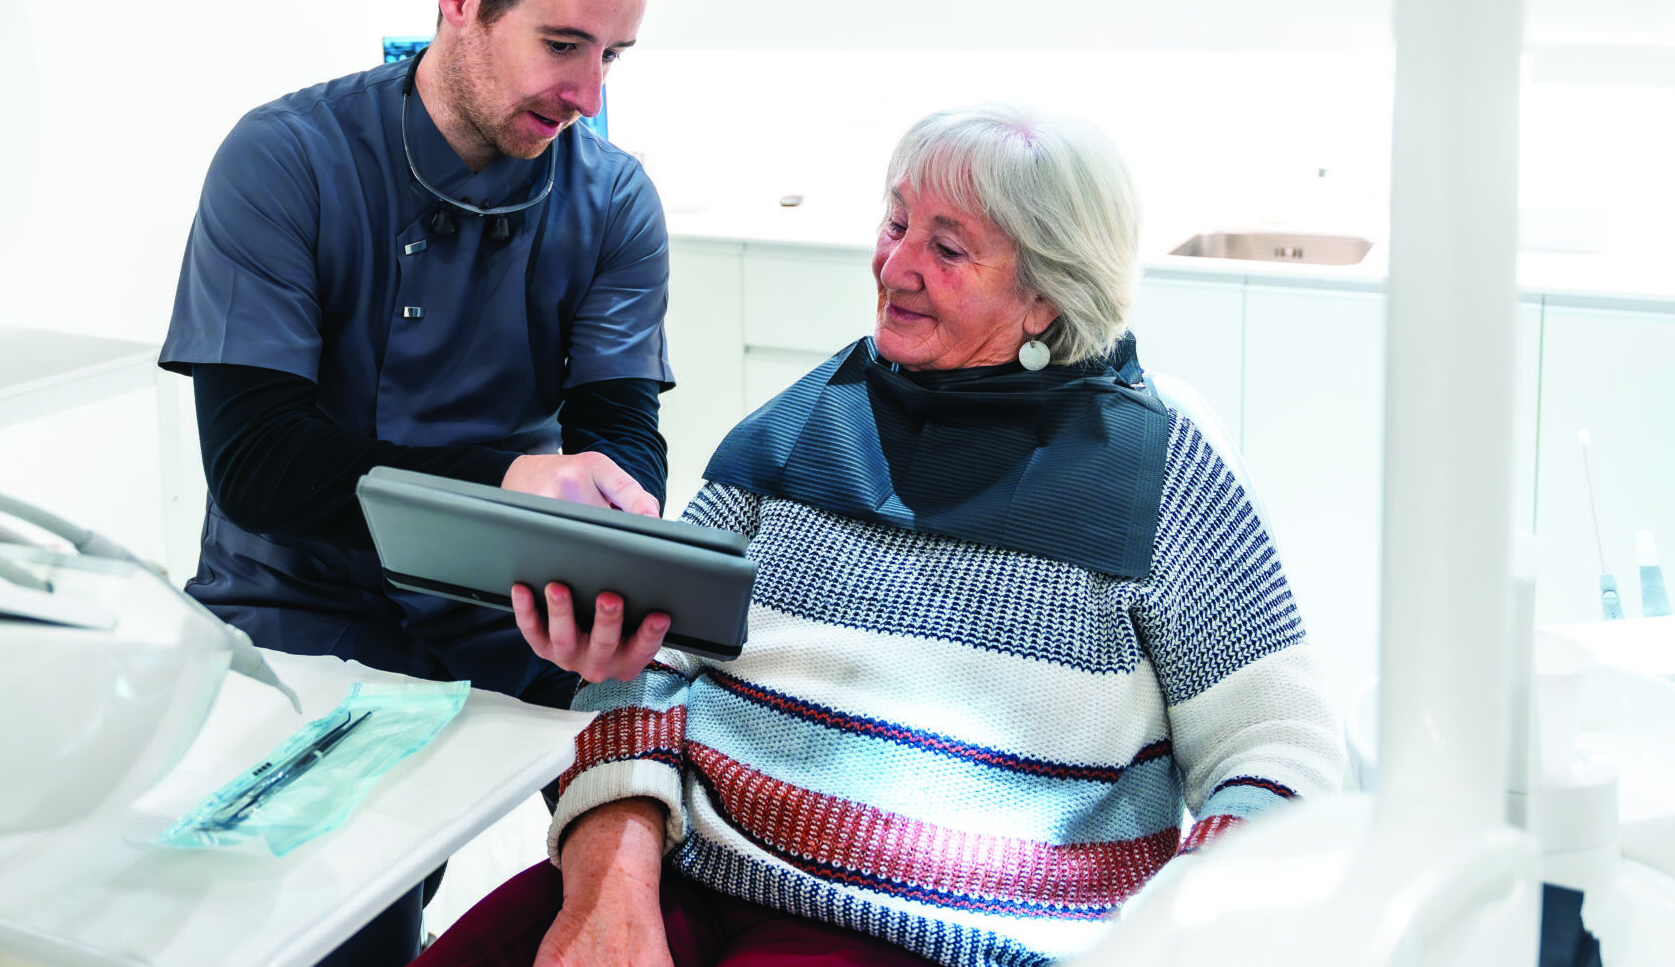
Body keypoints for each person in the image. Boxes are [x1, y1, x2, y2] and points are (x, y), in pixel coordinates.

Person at [414, 103, 1346, 967]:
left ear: (1046, 299)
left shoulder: (1156, 471)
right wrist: (609, 879)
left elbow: (1281, 751)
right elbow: (649, 662)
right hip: (678, 865)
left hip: (940, 934)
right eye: (896, 224)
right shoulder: (813, 414)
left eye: (948, 248)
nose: (895, 267)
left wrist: (1181, 926)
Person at [158, 0, 675, 965]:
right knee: (335, 917)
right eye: (561, 44)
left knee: (659, 870)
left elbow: (621, 430)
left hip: (514, 603)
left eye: (612, 54)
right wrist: (508, 484)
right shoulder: (285, 161)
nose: (588, 94)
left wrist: (607, 524)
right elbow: (257, 461)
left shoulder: (613, 198)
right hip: (302, 595)